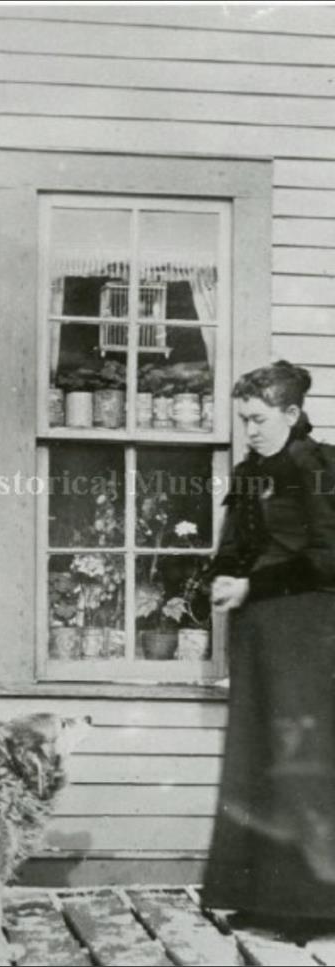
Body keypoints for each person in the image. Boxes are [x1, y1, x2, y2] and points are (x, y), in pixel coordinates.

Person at [202, 360, 335, 937]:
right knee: (257, 761)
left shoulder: (318, 465)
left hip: (308, 631)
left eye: (258, 419)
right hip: (260, 631)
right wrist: (223, 576)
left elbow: (330, 558)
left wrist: (256, 584)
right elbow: (236, 545)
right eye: (242, 419)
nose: (249, 430)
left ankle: (311, 907)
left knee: (301, 763)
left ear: (291, 413)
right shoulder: (251, 471)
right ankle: (259, 896)